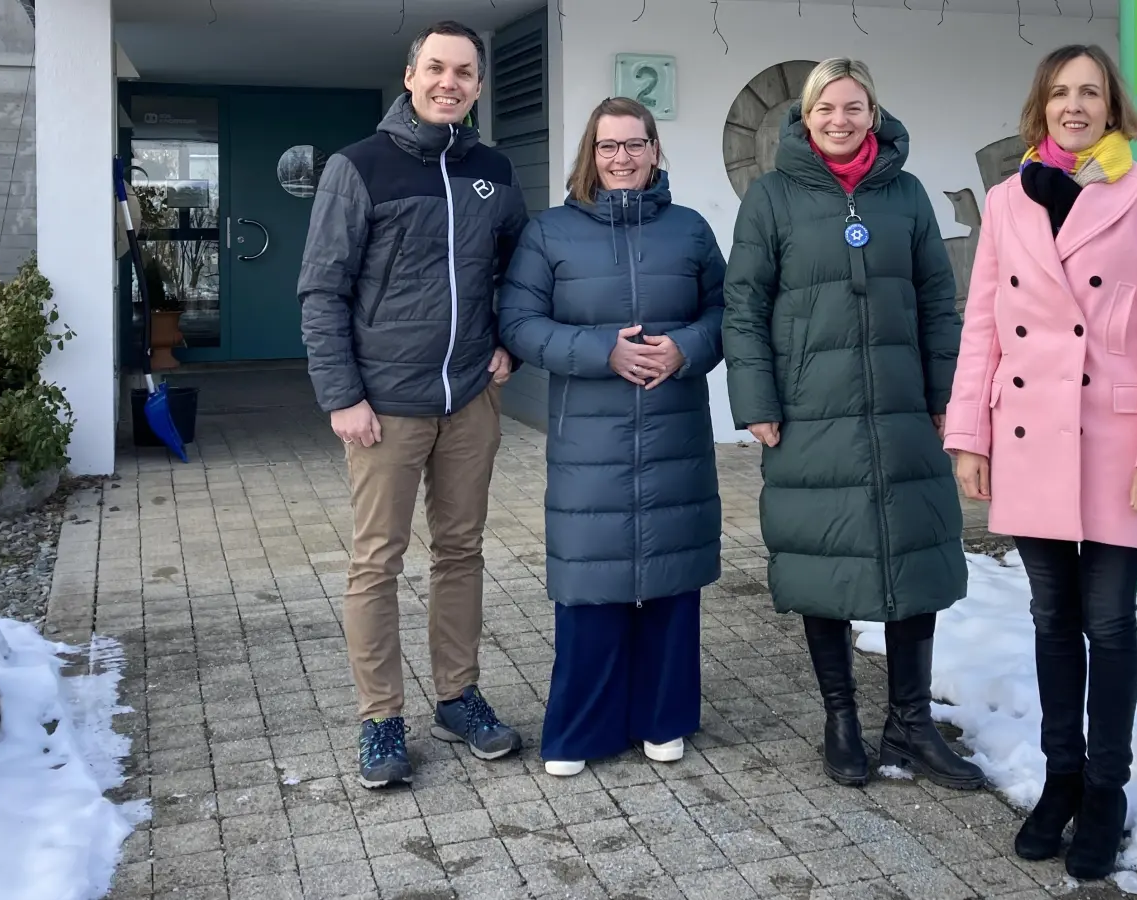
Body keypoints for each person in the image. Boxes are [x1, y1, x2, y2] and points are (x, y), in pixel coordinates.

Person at [943, 44, 1137, 879]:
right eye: (1061, 93)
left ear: (1113, 106)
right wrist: (969, 435)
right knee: (1051, 619)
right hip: (1028, 436)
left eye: (1090, 92)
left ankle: (1106, 789)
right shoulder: (1007, 202)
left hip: (1120, 445)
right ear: (1041, 108)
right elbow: (982, 327)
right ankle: (1059, 779)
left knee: (1109, 622)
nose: (1075, 105)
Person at [723, 58, 983, 791]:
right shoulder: (772, 198)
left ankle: (911, 722)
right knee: (822, 559)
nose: (840, 120)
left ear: (875, 113)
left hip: (903, 406)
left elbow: (939, 299)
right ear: (805, 118)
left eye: (855, 107)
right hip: (812, 409)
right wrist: (758, 400)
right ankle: (842, 719)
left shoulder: (904, 196)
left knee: (917, 556)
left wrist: (947, 394)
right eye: (826, 108)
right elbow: (743, 303)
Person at [298, 20, 531, 789]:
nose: (449, 82)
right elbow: (323, 289)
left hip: (469, 399)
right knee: (377, 562)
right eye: (436, 68)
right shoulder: (358, 167)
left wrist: (511, 343)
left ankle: (457, 697)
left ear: (477, 85)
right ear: (410, 75)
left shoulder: (492, 169)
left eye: (463, 72)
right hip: (384, 407)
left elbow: (520, 270)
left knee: (461, 552)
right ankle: (381, 718)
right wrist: (342, 397)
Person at [498, 97, 725, 778]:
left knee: (670, 579)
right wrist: (604, 351)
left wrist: (684, 348)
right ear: (589, 157)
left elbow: (725, 312)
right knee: (590, 585)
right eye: (607, 147)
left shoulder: (689, 230)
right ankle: (580, 727)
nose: (621, 158)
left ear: (656, 151)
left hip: (674, 430)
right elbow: (518, 322)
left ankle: (665, 718)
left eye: (634, 144)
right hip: (588, 439)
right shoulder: (549, 233)